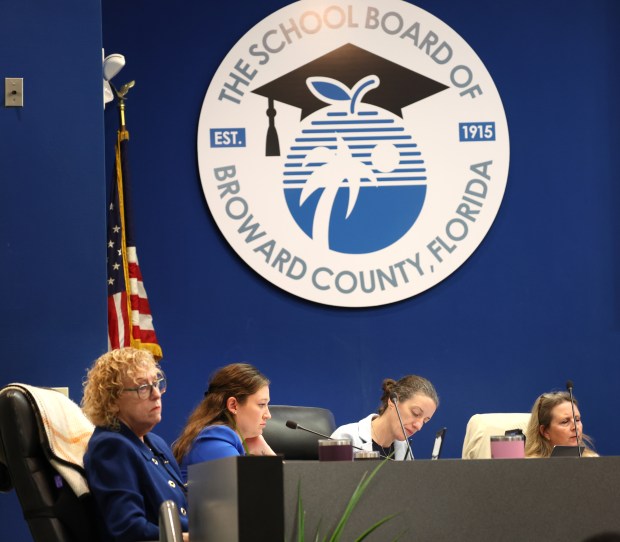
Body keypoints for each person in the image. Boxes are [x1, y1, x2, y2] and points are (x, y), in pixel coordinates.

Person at [81, 348, 189, 542]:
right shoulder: (111, 446)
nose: (156, 394)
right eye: (143, 388)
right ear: (111, 401)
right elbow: (128, 530)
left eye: (156, 384)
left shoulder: (156, 442)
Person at [173, 363, 275, 482]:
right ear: (233, 405)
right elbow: (260, 494)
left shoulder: (218, 439)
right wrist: (269, 455)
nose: (268, 415)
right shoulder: (214, 442)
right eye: (261, 404)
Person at [331, 375, 438, 460]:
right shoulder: (345, 438)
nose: (419, 426)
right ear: (393, 401)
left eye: (425, 421)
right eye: (415, 413)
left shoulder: (404, 447)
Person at [525, 390, 597, 458]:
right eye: (565, 422)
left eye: (577, 420)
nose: (575, 427)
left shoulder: (592, 459)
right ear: (545, 431)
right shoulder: (529, 466)